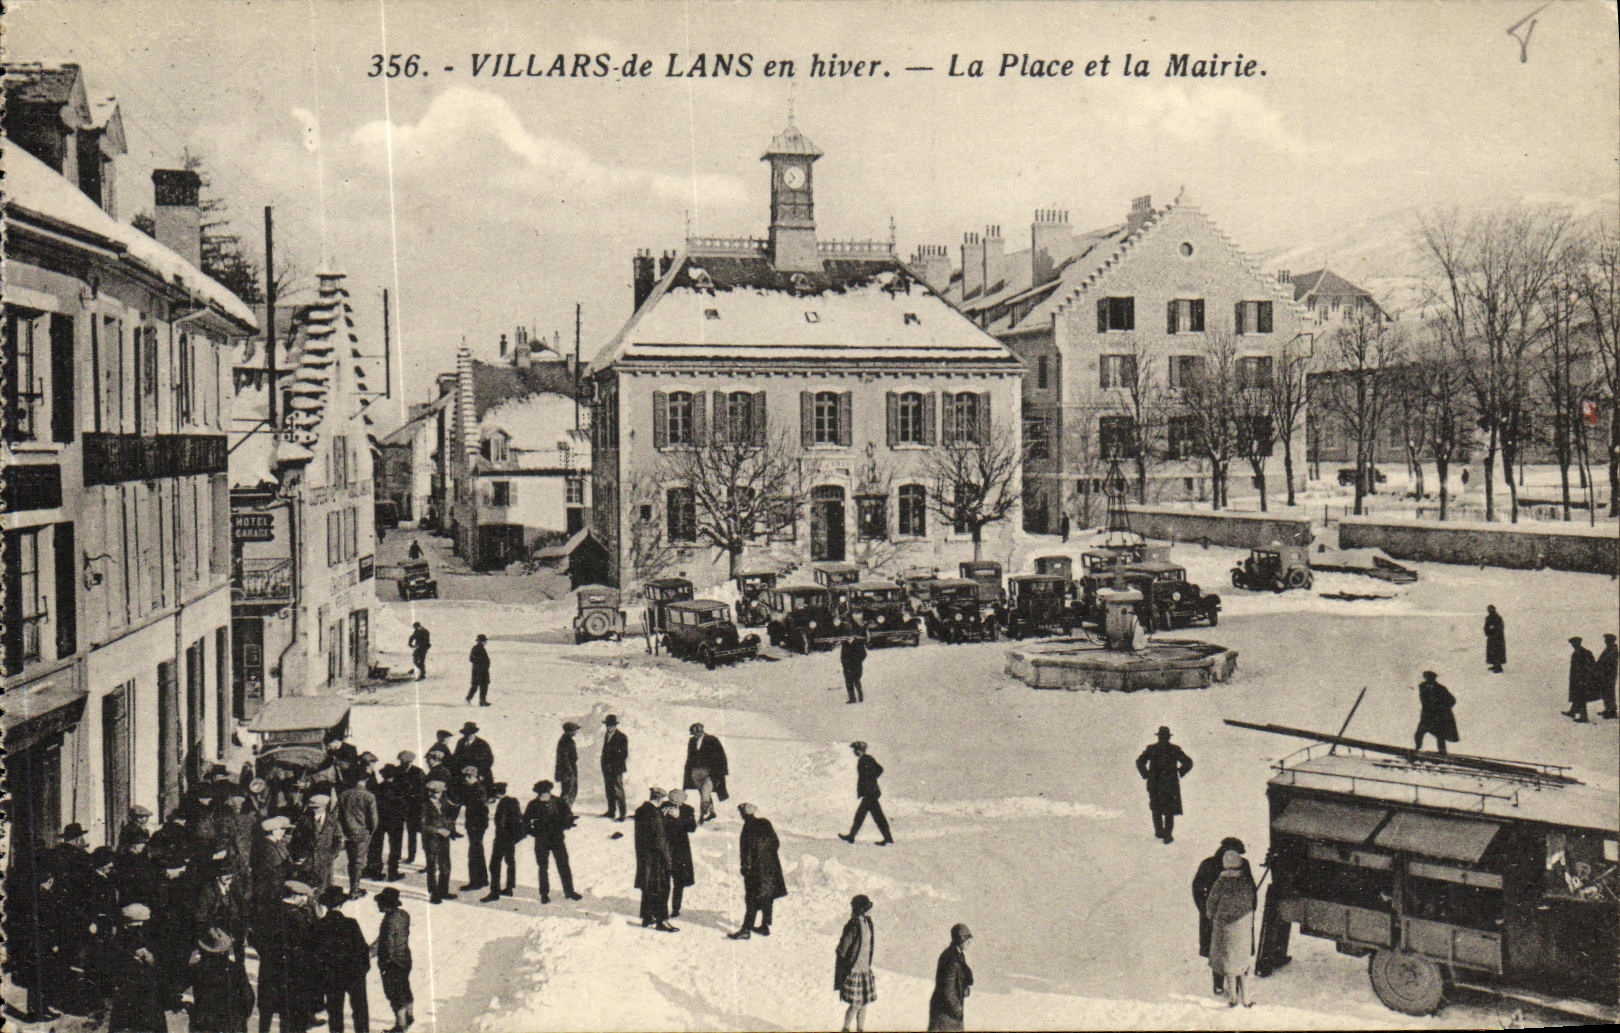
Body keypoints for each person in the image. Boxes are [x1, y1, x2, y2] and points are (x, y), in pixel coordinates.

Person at [254, 880, 317, 1033]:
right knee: (288, 1013)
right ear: (296, 896)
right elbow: (308, 942)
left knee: (266, 1010)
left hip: (269, 969)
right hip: (292, 972)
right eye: (304, 897)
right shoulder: (298, 916)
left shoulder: (268, 912)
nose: (306, 901)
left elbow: (256, 938)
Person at [1193, 837, 1253, 994]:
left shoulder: (1207, 864)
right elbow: (1251, 890)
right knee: (1234, 950)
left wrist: (1206, 912)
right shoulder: (1242, 865)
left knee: (1218, 951)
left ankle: (1220, 985)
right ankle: (1233, 986)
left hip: (1215, 917)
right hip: (1236, 918)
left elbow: (1197, 890)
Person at [315, 886, 372, 1033]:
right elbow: (362, 949)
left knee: (335, 1013)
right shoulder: (351, 923)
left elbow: (316, 954)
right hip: (354, 974)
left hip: (332, 976)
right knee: (360, 1010)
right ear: (341, 905)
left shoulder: (319, 925)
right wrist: (362, 971)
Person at [1205, 849, 1257, 1008]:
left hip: (1225, 929)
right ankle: (1246, 999)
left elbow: (1210, 905)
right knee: (1242, 964)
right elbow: (1253, 902)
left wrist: (1212, 916)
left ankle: (1233, 998)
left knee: (1229, 965)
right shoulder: (1246, 883)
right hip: (1242, 930)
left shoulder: (1220, 884)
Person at [729, 803, 788, 939]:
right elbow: (775, 843)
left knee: (752, 899)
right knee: (767, 895)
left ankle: (746, 929)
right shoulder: (765, 823)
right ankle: (764, 926)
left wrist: (746, 868)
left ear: (743, 814)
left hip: (755, 870)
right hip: (770, 868)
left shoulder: (747, 827)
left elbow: (747, 851)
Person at [107, 903, 166, 1033]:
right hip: (131, 992)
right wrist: (134, 958)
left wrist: (149, 957)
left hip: (145, 992)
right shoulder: (120, 940)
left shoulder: (144, 937)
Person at [524, 780, 582, 904]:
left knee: (563, 865)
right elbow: (526, 821)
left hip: (557, 839)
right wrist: (533, 832)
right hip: (541, 840)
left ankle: (569, 892)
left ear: (549, 791)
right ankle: (544, 894)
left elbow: (568, 816)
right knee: (543, 867)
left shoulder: (559, 802)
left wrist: (566, 825)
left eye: (546, 792)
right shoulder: (533, 804)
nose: (544, 795)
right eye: (542, 793)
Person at [189, 927, 256, 1033]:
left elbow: (173, 990)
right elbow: (248, 998)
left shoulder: (198, 969)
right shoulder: (235, 970)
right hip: (231, 1025)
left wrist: (187, 1007)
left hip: (205, 1024)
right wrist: (240, 1020)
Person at [1136, 726, 1194, 843]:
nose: (1163, 739)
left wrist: (1146, 774)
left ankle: (1161, 832)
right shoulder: (1173, 749)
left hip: (1156, 783)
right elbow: (1188, 762)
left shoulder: (1152, 749)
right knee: (1167, 810)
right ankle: (1166, 833)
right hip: (1168, 784)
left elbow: (1140, 761)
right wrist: (1180, 772)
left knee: (1157, 809)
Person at [634, 788, 677, 931]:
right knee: (662, 889)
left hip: (645, 858)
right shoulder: (654, 814)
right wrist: (669, 860)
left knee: (649, 888)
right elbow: (660, 840)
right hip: (657, 859)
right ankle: (662, 920)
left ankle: (647, 917)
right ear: (659, 799)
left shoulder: (641, 810)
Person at [372, 887, 414, 1033]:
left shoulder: (389, 920)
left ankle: (400, 1025)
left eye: (380, 903)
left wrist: (384, 962)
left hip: (392, 962)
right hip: (405, 958)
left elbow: (388, 942)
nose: (378, 905)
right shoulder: (403, 915)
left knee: (394, 994)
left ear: (386, 904)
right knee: (405, 988)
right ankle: (409, 1015)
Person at [835, 895, 877, 1033]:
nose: (870, 910)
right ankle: (846, 1028)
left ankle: (860, 1029)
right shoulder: (854, 925)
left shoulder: (867, 922)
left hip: (864, 969)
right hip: (855, 970)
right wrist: (847, 966)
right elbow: (842, 948)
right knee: (857, 1004)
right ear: (862, 909)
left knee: (863, 1003)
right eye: (868, 908)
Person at [192, 859, 249, 963]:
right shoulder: (208, 891)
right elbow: (200, 915)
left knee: (238, 964)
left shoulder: (234, 888)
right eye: (225, 874)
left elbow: (241, 910)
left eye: (231, 873)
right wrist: (213, 931)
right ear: (217, 876)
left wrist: (243, 931)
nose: (229, 877)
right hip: (215, 935)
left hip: (233, 933)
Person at [838, 741, 894, 846]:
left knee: (862, 816)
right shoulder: (867, 759)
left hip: (869, 793)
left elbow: (873, 772)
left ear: (859, 750)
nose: (854, 752)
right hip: (871, 792)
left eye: (855, 750)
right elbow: (879, 769)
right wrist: (872, 779)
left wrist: (869, 781)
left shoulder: (864, 759)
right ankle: (888, 838)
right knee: (875, 817)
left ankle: (851, 837)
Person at [338, 771, 380, 899]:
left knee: (351, 861)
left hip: (347, 832)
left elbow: (338, 815)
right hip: (362, 832)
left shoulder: (344, 794)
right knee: (359, 862)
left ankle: (354, 887)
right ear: (365, 780)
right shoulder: (369, 796)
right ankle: (354, 890)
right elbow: (374, 819)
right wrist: (371, 832)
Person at [927, 924, 974, 1031]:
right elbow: (947, 990)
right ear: (960, 940)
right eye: (968, 941)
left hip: (950, 1014)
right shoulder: (950, 959)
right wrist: (957, 1009)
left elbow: (968, 979)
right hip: (945, 1013)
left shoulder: (958, 956)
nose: (970, 944)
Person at [293, 791, 344, 890]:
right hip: (308, 861)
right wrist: (300, 856)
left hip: (325, 861)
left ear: (325, 807)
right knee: (306, 889)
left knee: (323, 889)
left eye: (317, 808)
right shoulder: (304, 820)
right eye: (312, 808)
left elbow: (338, 840)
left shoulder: (333, 822)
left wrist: (332, 855)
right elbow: (296, 839)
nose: (314, 810)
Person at [482, 782, 525, 901]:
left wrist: (500, 838)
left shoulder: (503, 804)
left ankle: (494, 893)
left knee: (494, 865)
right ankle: (509, 888)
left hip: (503, 838)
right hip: (511, 838)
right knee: (510, 862)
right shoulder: (513, 801)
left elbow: (500, 823)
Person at [683, 723, 730, 824]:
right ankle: (711, 812)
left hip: (710, 772)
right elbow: (690, 757)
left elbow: (721, 755)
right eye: (693, 734)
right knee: (703, 792)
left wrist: (721, 771)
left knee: (705, 790)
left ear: (701, 731)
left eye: (696, 733)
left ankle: (702, 815)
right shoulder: (692, 741)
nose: (695, 736)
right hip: (696, 772)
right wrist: (688, 770)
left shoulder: (712, 740)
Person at [421, 780, 459, 903]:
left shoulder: (443, 803)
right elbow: (423, 826)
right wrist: (438, 830)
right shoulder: (424, 806)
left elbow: (448, 819)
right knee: (432, 867)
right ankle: (434, 894)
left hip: (444, 840)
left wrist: (451, 830)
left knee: (445, 865)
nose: (435, 795)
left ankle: (443, 891)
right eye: (432, 792)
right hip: (431, 840)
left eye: (438, 792)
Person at [456, 765, 491, 893]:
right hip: (475, 824)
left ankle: (476, 882)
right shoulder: (474, 787)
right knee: (477, 851)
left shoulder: (477, 788)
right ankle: (482, 879)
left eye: (467, 777)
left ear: (472, 776)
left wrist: (476, 823)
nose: (465, 779)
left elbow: (481, 808)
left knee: (474, 852)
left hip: (476, 824)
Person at [663, 790, 697, 918]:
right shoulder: (664, 807)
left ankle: (675, 908)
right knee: (663, 880)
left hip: (680, 850)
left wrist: (679, 818)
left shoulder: (688, 810)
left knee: (679, 882)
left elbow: (692, 828)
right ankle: (662, 908)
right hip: (666, 848)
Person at [393, 751, 426, 872]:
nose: (403, 764)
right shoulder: (397, 771)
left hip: (413, 808)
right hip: (399, 806)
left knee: (412, 833)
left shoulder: (418, 772)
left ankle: (411, 856)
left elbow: (422, 791)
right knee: (397, 831)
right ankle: (396, 855)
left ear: (410, 762)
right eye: (401, 762)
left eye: (405, 762)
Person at [1415, 670, 1459, 753]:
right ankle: (1417, 748)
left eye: (1430, 678)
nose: (1428, 679)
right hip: (1427, 715)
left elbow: (1452, 700)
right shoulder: (1423, 687)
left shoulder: (1441, 689)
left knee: (1440, 734)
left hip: (1438, 715)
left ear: (1434, 678)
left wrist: (1443, 708)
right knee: (1420, 731)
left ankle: (1442, 751)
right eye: (1426, 678)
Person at [601, 714, 629, 821]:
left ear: (615, 726)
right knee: (609, 789)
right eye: (608, 725)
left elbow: (624, 754)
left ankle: (622, 814)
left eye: (612, 725)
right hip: (607, 768)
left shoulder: (622, 737)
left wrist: (613, 764)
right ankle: (611, 811)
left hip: (616, 769)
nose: (610, 727)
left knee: (618, 790)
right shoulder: (606, 735)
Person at [451, 722, 496, 789]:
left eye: (471, 733)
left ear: (474, 733)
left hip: (479, 775)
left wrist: (479, 771)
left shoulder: (482, 744)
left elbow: (489, 760)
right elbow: (455, 757)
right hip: (464, 774)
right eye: (466, 733)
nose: (468, 735)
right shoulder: (460, 742)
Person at [1566, 637, 1598, 722]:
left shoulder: (1584, 653)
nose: (1573, 645)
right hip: (1577, 679)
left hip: (1583, 679)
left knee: (1581, 697)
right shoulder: (1577, 653)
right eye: (1572, 644)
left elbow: (1591, 665)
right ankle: (1572, 711)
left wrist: (1587, 677)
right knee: (1577, 695)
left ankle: (1584, 717)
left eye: (1574, 644)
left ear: (1578, 643)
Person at [840, 626, 868, 704]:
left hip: (856, 667)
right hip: (847, 667)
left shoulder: (858, 643)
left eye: (850, 636)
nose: (848, 638)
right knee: (848, 683)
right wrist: (844, 663)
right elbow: (842, 656)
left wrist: (858, 661)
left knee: (856, 681)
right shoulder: (845, 644)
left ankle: (860, 697)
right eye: (847, 636)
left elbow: (864, 654)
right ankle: (852, 699)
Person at [555, 721, 581, 806]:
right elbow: (564, 759)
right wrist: (570, 772)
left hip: (568, 771)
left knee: (570, 792)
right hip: (568, 772)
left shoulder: (566, 740)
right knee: (568, 792)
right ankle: (564, 811)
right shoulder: (566, 741)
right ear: (569, 731)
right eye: (574, 730)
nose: (576, 732)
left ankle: (565, 811)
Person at [1596, 633, 1618, 719]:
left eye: (1607, 640)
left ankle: (1611, 711)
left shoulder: (1612, 650)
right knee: (1607, 692)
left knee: (1608, 692)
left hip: (1608, 675)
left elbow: (1607, 662)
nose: (1605, 641)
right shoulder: (1610, 649)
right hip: (1607, 675)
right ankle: (1609, 709)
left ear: (1610, 641)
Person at [467, 633, 492, 706]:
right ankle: (468, 699)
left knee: (483, 686)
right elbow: (471, 659)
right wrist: (481, 663)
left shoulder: (481, 648)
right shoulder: (476, 648)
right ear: (481, 641)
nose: (486, 642)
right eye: (484, 641)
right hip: (478, 671)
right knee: (476, 686)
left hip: (483, 671)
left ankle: (482, 701)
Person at [1483, 605, 1506, 673]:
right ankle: (1495, 665)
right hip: (1491, 637)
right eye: (1489, 609)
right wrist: (1488, 632)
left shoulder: (1498, 617)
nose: (1489, 610)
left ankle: (1498, 666)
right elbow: (1486, 627)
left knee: (1497, 651)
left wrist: (1493, 631)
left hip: (1498, 638)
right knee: (1491, 652)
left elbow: (1500, 627)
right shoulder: (1488, 617)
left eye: (1491, 609)